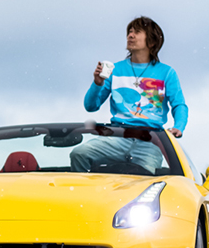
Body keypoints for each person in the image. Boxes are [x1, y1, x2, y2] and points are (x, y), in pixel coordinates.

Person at [70, 16, 188, 174]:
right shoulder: (115, 69)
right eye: (129, 32)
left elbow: (179, 104)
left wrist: (178, 127)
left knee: (148, 180)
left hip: (150, 141)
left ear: (152, 42)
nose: (130, 35)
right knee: (79, 154)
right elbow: (90, 106)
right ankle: (83, 194)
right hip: (117, 135)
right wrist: (97, 83)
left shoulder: (167, 73)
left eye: (137, 32)